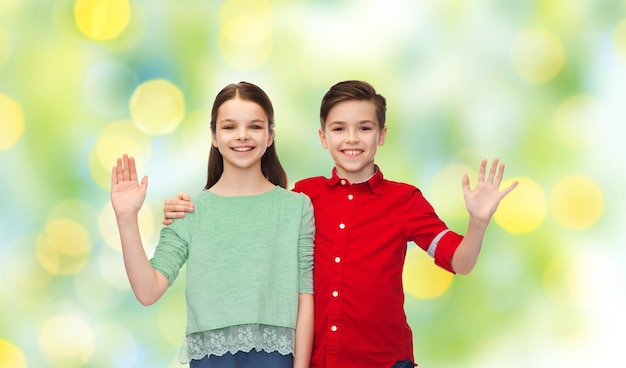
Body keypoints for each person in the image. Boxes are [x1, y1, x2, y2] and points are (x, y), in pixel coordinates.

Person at [162, 80, 518, 368]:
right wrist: (188, 210)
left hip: (385, 359)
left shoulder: (405, 200)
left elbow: (460, 261)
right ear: (323, 137)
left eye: (364, 128)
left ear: (381, 135)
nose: (351, 139)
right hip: (317, 360)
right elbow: (251, 219)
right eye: (339, 128)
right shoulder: (303, 197)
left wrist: (478, 222)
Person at [110, 81, 315, 368]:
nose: (242, 136)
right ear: (214, 136)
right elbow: (148, 291)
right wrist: (126, 218)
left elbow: (306, 298)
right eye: (229, 127)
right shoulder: (189, 211)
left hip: (276, 358)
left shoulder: (296, 208)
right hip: (210, 360)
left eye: (255, 127)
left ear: (270, 136)